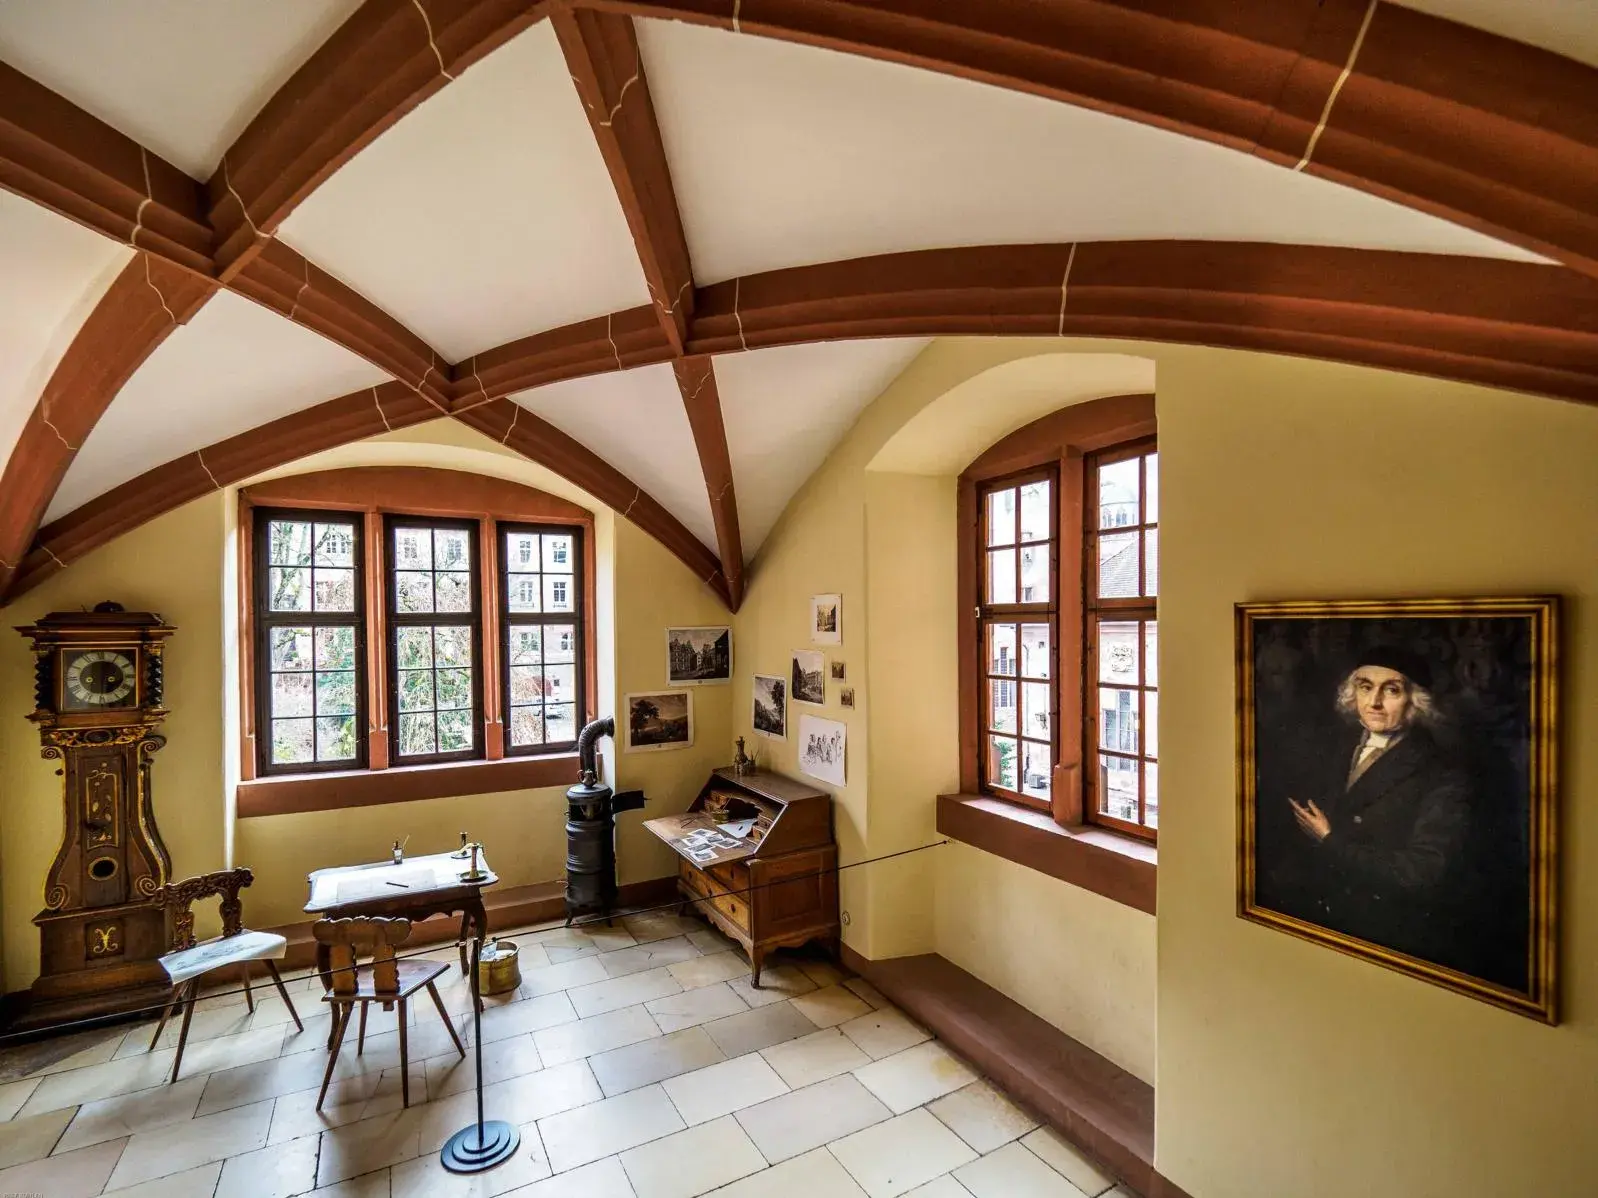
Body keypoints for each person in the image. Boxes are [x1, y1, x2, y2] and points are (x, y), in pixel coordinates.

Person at [1274, 647, 1478, 975]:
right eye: (1365, 687)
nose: (1374, 702)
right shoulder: (1333, 747)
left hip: (1385, 936)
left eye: (1392, 690)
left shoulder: (1441, 772)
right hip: (1313, 923)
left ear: (1415, 701)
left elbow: (1421, 872)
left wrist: (1330, 840)